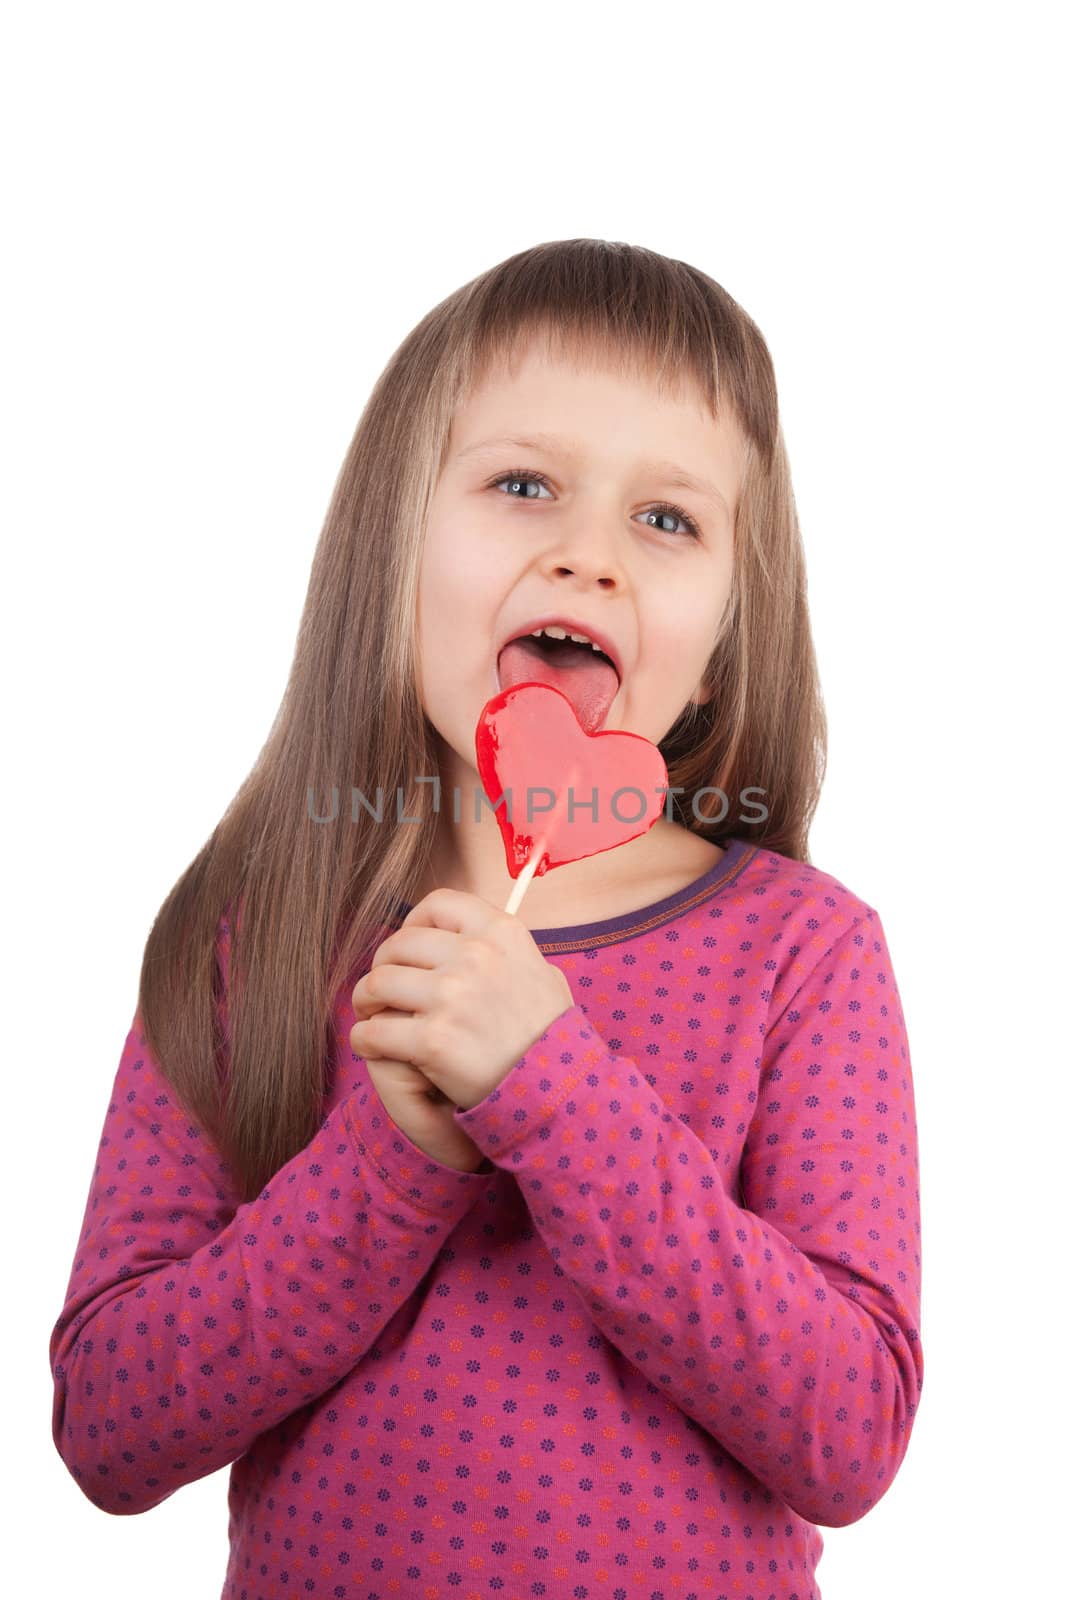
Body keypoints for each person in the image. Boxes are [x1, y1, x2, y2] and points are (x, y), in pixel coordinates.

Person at [48, 238, 923, 1598]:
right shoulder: (260, 931)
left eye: (668, 519)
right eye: (524, 486)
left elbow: (851, 1431)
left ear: (725, 630)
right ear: (392, 538)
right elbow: (107, 1430)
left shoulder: (805, 951)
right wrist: (389, 1156)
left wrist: (553, 1096)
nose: (588, 557)